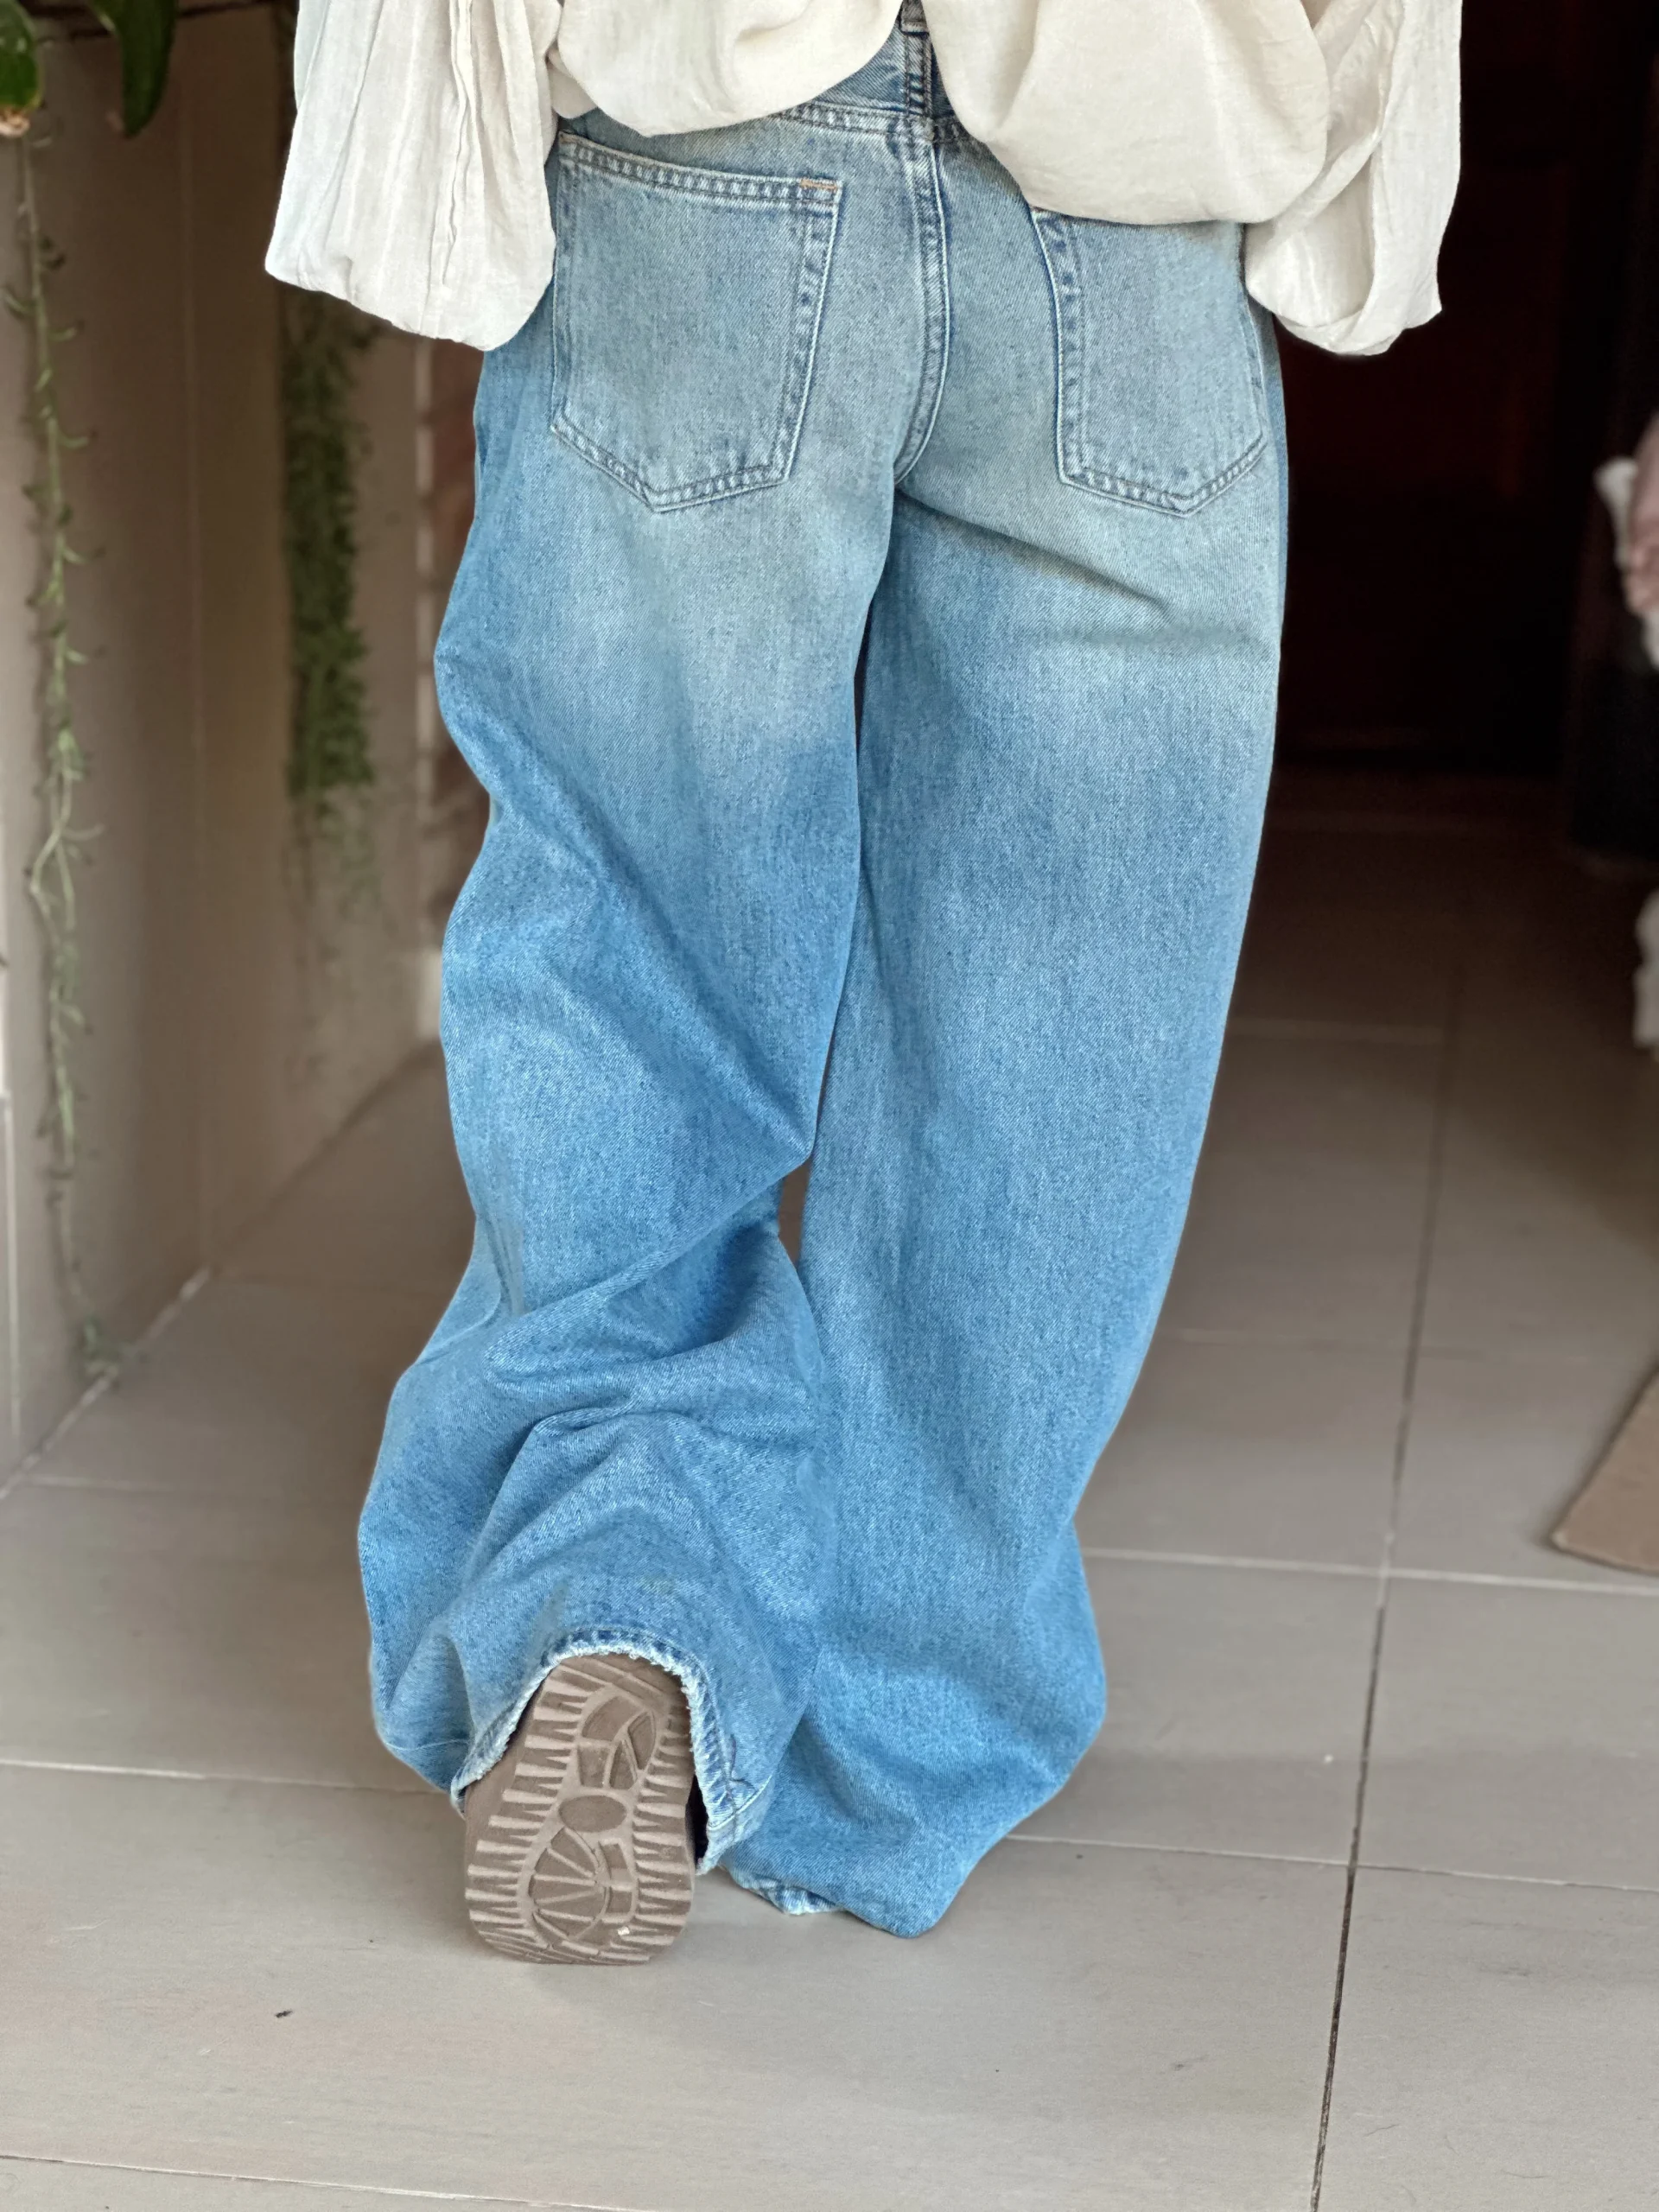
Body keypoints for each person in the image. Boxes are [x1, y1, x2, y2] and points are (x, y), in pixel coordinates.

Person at [270, 0, 1461, 1965]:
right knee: (1058, 1032)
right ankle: (884, 1750)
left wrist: (428, 145)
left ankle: (613, 1601)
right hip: (1137, 176)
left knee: (638, 951)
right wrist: (1345, 167)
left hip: (710, 152)